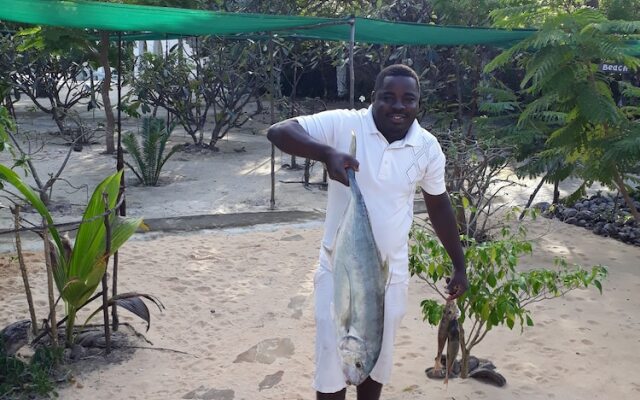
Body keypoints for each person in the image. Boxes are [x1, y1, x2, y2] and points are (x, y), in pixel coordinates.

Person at [267, 64, 468, 400]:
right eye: (388, 97)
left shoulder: (427, 147)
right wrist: (326, 153)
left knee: (374, 361)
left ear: (419, 104)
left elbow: (439, 205)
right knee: (332, 369)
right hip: (339, 272)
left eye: (409, 99)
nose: (398, 106)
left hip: (392, 276)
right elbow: (278, 132)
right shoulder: (346, 123)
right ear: (374, 97)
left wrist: (459, 264)